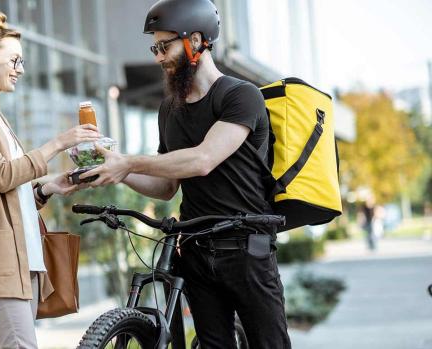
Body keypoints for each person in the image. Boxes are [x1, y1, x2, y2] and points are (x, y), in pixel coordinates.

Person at [84, 0, 291, 347]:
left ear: (196, 41)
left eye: (165, 46)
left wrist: (130, 162)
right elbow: (166, 186)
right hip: (195, 249)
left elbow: (203, 159)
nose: (158, 57)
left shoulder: (241, 96)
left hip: (246, 250)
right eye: (155, 47)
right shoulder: (170, 108)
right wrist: (116, 167)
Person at [0, 10, 100, 348]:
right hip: (0, 261)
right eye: (14, 60)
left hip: (24, 258)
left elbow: (9, 194)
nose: (20, 69)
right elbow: (1, 176)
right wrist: (58, 143)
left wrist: (47, 187)